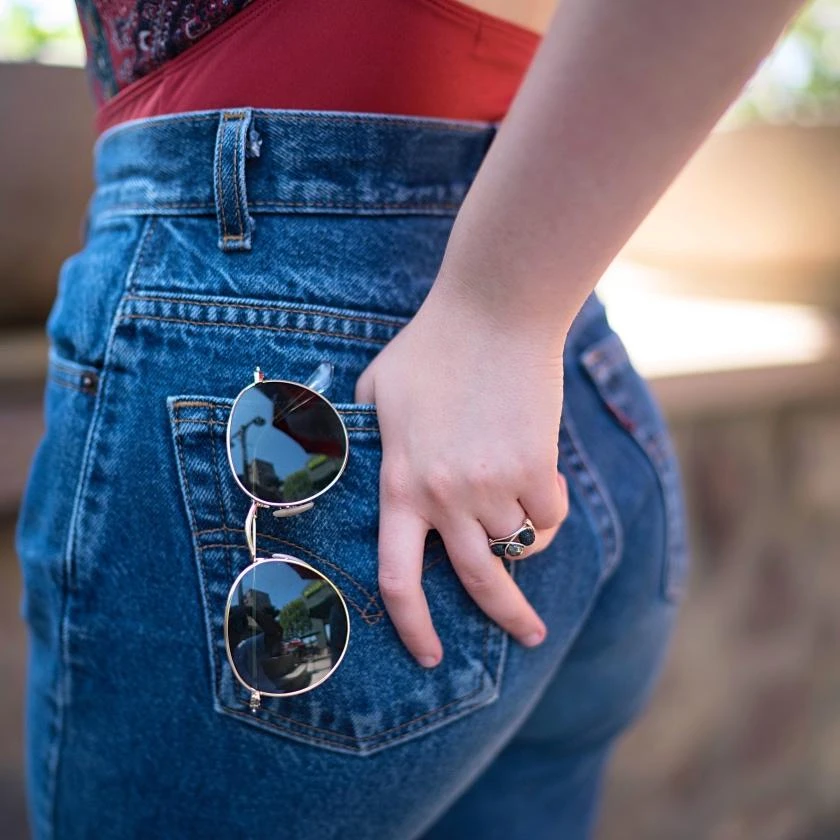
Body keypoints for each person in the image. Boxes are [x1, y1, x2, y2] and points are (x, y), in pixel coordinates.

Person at [15, 1, 805, 838]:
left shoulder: (488, 316)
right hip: (546, 377)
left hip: (298, 305)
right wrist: (506, 315)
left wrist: (500, 315)